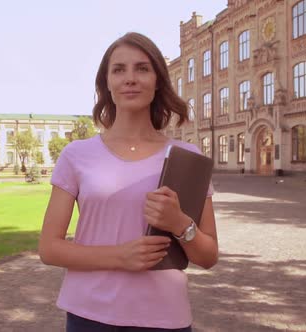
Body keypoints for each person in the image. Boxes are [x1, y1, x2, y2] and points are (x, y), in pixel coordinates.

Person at [38, 32, 218, 332]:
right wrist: (120, 256)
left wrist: (179, 223)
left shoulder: (188, 158)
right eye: (119, 70)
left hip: (165, 317)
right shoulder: (76, 155)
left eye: (142, 68)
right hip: (89, 316)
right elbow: (49, 248)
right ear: (106, 83)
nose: (130, 78)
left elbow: (208, 256)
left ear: (158, 79)